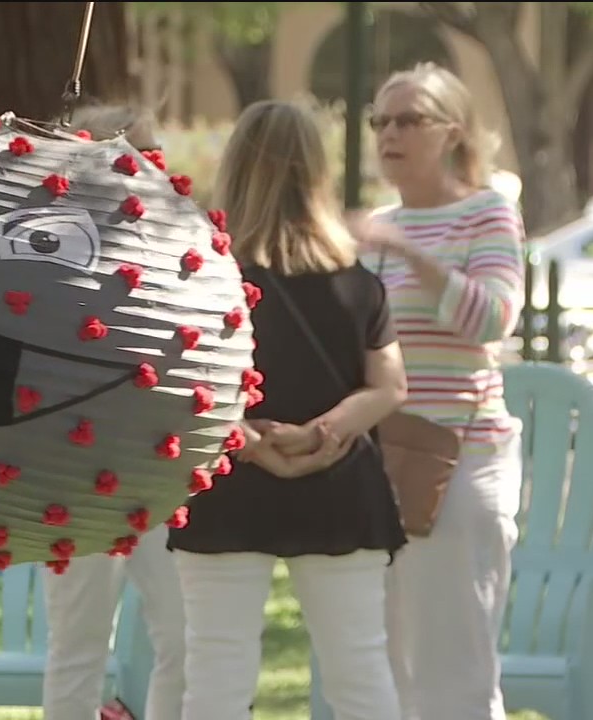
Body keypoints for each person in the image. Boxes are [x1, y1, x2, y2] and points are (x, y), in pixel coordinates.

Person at [166, 99, 410, 720]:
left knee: (216, 672)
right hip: (338, 478)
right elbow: (389, 386)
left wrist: (248, 441)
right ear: (316, 173)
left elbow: (172, 384)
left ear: (238, 168)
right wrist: (325, 433)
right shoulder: (357, 282)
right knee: (359, 670)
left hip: (224, 480)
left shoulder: (201, 277)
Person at [351, 62, 526, 720]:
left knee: (455, 667)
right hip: (380, 462)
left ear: (452, 132)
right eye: (381, 121)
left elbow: (492, 320)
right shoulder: (377, 226)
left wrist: (414, 255)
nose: (389, 133)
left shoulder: (487, 212)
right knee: (386, 663)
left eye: (408, 119)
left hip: (461, 460)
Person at [40, 103, 187, 720]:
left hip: (159, 465)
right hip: (76, 471)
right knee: (77, 642)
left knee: (186, 632)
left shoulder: (181, 249)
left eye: (149, 159)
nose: (143, 172)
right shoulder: (45, 247)